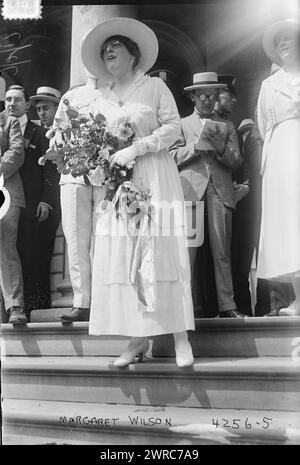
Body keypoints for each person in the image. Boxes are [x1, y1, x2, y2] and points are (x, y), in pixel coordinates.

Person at [80, 17, 195, 367]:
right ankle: (137, 337)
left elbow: (174, 128)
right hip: (119, 186)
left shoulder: (154, 87)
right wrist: (97, 166)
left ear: (133, 54)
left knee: (160, 249)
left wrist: (137, 148)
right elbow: (93, 143)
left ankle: (179, 336)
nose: (109, 52)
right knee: (125, 253)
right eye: (105, 51)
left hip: (155, 175)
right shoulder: (100, 99)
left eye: (115, 47)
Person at [171, 72, 243, 318]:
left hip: (219, 191)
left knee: (222, 251)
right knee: (187, 252)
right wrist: (194, 147)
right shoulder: (180, 124)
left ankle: (227, 306)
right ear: (192, 97)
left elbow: (236, 161)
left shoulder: (227, 126)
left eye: (211, 96)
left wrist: (221, 147)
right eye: (202, 95)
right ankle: (185, 308)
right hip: (190, 189)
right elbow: (171, 157)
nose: (207, 100)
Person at [49, 77, 103, 323]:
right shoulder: (73, 96)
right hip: (73, 173)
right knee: (76, 239)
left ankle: (105, 300)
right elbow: (57, 132)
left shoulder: (118, 92)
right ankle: (82, 302)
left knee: (104, 239)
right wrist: (61, 144)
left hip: (105, 174)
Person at [256, 19, 300, 317]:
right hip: (283, 150)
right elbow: (263, 123)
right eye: (279, 41)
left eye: (289, 38)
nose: (283, 43)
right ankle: (298, 298)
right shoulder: (269, 85)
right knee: (288, 223)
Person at [5, 85, 60, 319]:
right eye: (8, 99)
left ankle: (36, 309)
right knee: (11, 255)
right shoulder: (5, 127)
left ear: (25, 104)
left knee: (34, 257)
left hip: (35, 205)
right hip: (12, 203)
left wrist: (47, 201)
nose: (11, 104)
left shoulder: (40, 133)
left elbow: (50, 170)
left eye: (17, 99)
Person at [0, 106, 25, 324]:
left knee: (6, 248)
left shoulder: (9, 121)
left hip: (6, 191)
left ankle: (14, 305)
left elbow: (16, 153)